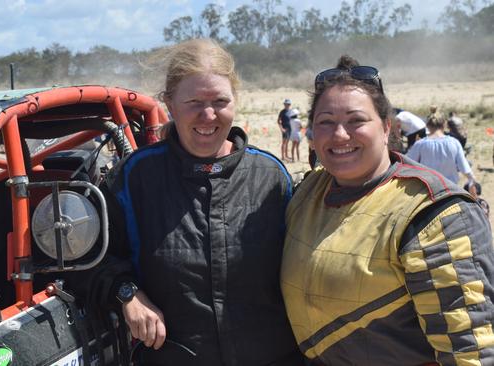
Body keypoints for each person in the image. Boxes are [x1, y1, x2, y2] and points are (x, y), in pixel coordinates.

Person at [281, 54, 494, 365]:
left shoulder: (433, 214)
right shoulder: (308, 191)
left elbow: (468, 350)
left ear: (386, 127)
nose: (340, 135)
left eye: (356, 121)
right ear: (312, 133)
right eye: (326, 122)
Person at [101, 38, 302, 365]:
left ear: (235, 101)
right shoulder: (135, 177)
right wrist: (127, 294)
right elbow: (97, 259)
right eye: (194, 101)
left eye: (220, 101)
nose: (208, 115)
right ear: (169, 103)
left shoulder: (271, 176)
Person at [406, 112, 478, 190]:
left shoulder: (420, 144)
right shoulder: (454, 143)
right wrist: (471, 180)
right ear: (444, 125)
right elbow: (465, 168)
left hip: (428, 191)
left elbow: (407, 164)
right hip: (450, 191)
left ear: (427, 126)